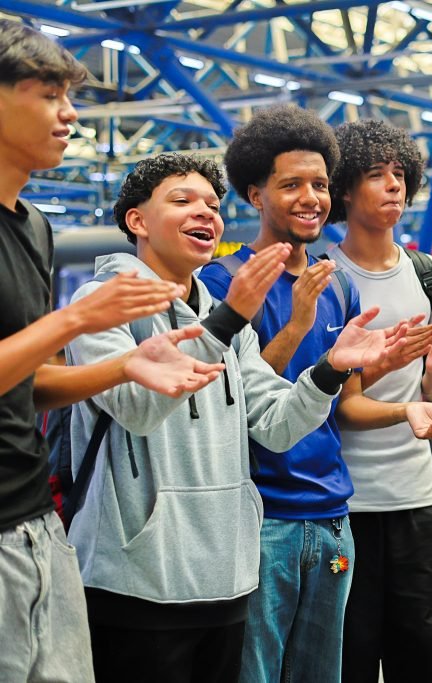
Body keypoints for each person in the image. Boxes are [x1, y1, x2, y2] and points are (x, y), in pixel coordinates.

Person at [66, 152, 402, 681]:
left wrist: (330, 370)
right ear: (137, 221)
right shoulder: (100, 304)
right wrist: (225, 322)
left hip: (226, 572)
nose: (205, 213)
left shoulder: (222, 318)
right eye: (183, 201)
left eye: (212, 204)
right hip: (135, 576)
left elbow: (274, 423)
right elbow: (136, 408)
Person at [199, 106, 432, 683]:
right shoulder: (223, 286)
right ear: (253, 193)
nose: (310, 197)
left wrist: (406, 370)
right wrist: (296, 327)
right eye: (291, 184)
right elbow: (236, 405)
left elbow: (340, 395)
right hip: (266, 515)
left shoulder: (337, 286)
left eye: (318, 183)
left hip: (332, 511)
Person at [0, 23, 226, 683]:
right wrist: (76, 318)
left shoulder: (33, 227)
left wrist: (122, 365)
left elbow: (33, 380)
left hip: (38, 522)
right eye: (48, 95)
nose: (69, 113)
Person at [327, 119, 432, 683]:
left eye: (399, 174)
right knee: (354, 652)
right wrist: (408, 409)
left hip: (417, 498)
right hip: (347, 505)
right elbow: (344, 405)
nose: (393, 186)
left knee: (425, 650)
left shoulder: (429, 273)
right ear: (343, 188)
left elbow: (429, 392)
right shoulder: (326, 279)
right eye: (374, 175)